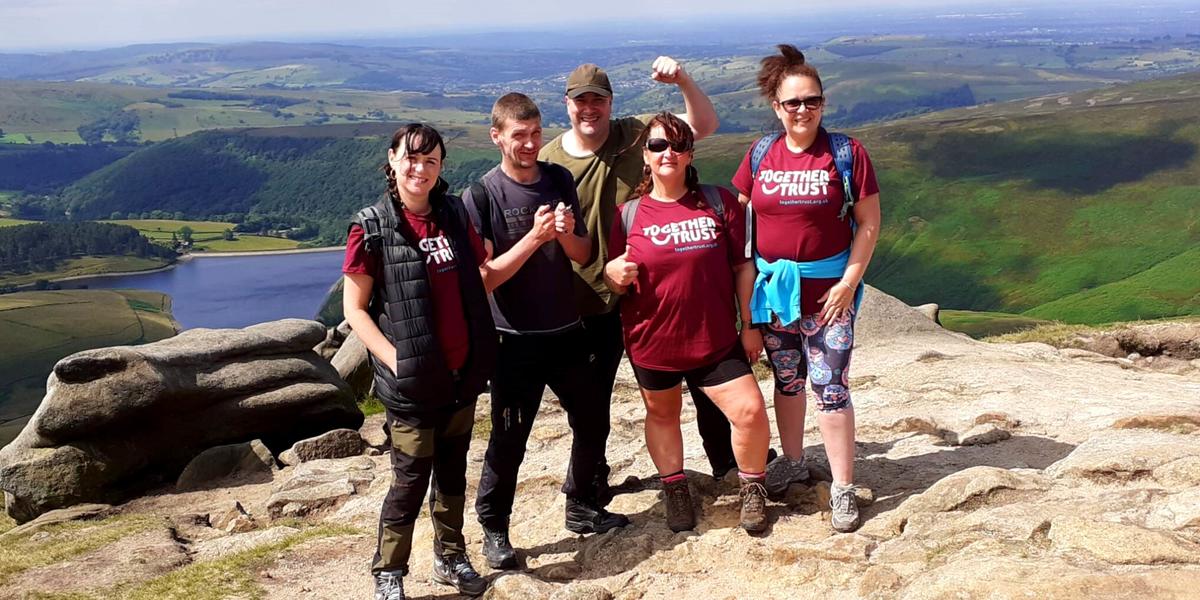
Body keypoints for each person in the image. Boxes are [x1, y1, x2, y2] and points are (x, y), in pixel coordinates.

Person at [538, 58, 737, 497]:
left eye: (598, 100)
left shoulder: (636, 135)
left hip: (647, 292)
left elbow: (702, 125)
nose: (589, 109)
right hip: (585, 296)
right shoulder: (548, 160)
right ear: (567, 105)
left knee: (704, 381)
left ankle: (727, 462)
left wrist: (683, 77)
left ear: (611, 104)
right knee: (592, 402)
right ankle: (588, 488)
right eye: (580, 100)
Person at [465, 93, 629, 571]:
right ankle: (494, 528)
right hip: (513, 338)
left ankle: (580, 505)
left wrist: (560, 234)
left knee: (594, 418)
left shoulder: (558, 179)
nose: (531, 143)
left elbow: (582, 254)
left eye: (536, 133)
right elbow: (485, 277)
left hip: (566, 328)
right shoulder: (482, 196)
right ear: (497, 136)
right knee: (510, 437)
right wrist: (535, 238)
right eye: (520, 135)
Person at [732, 45, 882, 533]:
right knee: (789, 380)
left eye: (811, 101)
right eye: (792, 102)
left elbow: (868, 225)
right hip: (775, 295)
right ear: (776, 106)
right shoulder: (760, 154)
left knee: (831, 387)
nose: (803, 110)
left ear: (823, 102)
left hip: (829, 298)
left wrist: (848, 283)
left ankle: (841, 487)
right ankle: (794, 461)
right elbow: (738, 218)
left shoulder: (846, 152)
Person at [343, 123, 497, 599]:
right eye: (411, 158)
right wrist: (395, 360)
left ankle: (450, 558)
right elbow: (355, 310)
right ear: (392, 160)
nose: (419, 168)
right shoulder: (370, 226)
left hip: (460, 374)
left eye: (430, 161)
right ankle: (389, 572)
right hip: (412, 383)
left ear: (440, 168)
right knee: (409, 482)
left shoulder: (453, 213)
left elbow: (480, 270)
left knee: (452, 475)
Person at [604, 112, 771, 533]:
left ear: (690, 153)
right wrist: (612, 275)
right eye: (658, 146)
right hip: (652, 340)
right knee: (663, 414)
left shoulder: (718, 202)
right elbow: (613, 270)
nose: (668, 154)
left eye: (677, 146)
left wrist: (750, 324)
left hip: (714, 339)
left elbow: (742, 267)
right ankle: (674, 486)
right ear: (645, 155)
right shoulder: (627, 215)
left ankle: (752, 487)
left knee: (749, 411)